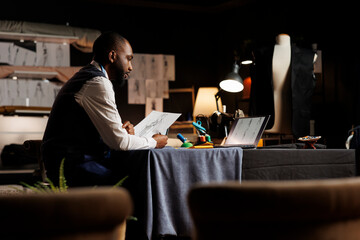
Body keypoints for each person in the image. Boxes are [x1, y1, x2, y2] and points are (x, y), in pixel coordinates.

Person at [41, 32, 168, 186]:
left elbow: (112, 137)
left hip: (67, 162)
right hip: (72, 167)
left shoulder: (87, 76)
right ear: (112, 56)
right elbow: (119, 143)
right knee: (140, 179)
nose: (130, 67)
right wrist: (154, 142)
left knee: (136, 173)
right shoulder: (97, 82)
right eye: (128, 59)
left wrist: (121, 132)